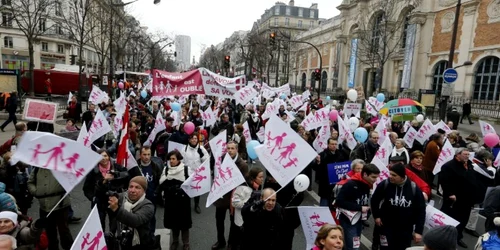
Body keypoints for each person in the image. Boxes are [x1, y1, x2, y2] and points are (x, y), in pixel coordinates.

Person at [371, 163, 426, 250]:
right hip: (386, 227)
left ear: (402, 176)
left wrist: (418, 231)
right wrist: (376, 216)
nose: (390, 177)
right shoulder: (385, 184)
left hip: (405, 229)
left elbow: (421, 211)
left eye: (394, 175)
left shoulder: (413, 188)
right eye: (390, 174)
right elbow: (374, 200)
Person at [335, 164, 380, 250]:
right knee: (353, 247)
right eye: (373, 177)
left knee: (355, 244)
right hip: (348, 220)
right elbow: (339, 201)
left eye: (376, 177)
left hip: (358, 220)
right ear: (365, 174)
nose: (375, 180)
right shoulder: (350, 184)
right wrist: (360, 208)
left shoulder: (367, 184)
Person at [83, 149, 129, 230]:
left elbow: (127, 175)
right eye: (101, 156)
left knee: (114, 225)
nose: (103, 158)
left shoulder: (116, 167)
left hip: (114, 201)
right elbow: (86, 188)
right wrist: (93, 198)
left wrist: (116, 175)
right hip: (99, 202)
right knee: (99, 226)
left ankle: (112, 239)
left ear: (109, 157)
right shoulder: (93, 171)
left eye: (105, 156)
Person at [107, 176, 155, 250]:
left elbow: (135, 220)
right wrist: (101, 184)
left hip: (139, 245)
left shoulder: (148, 205)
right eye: (131, 186)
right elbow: (102, 196)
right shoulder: (122, 197)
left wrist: (117, 209)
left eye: (137, 187)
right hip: (121, 242)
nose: (132, 190)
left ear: (144, 191)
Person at [159, 150, 191, 250]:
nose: (171, 161)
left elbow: (192, 184)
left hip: (183, 201)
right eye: (170, 159)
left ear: (178, 159)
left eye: (173, 159)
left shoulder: (186, 169)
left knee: (184, 224)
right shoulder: (166, 170)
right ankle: (175, 241)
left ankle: (186, 243)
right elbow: (161, 183)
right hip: (171, 201)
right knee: (174, 223)